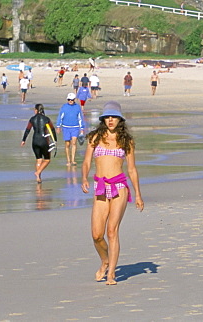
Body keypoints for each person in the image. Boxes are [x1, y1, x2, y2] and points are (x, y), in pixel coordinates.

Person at [81, 101, 143, 285]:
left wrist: (138, 195)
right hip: (100, 188)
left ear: (120, 120)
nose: (110, 120)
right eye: (107, 117)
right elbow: (86, 162)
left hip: (119, 188)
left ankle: (111, 273)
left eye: (114, 117)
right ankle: (105, 261)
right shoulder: (94, 138)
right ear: (103, 119)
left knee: (112, 230)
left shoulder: (126, 141)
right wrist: (84, 177)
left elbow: (131, 169)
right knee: (96, 235)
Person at [22, 104, 57, 183]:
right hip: (44, 141)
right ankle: (38, 173)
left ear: (36, 110)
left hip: (35, 141)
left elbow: (28, 129)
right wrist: (55, 140)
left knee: (38, 159)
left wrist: (23, 140)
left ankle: (38, 178)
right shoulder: (46, 119)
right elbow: (52, 130)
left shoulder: (32, 119)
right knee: (47, 159)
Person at [57, 93, 86, 166]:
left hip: (75, 127)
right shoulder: (64, 107)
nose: (70, 101)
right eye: (69, 100)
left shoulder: (77, 107)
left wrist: (82, 128)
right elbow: (60, 117)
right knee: (67, 144)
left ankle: (73, 160)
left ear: (74, 100)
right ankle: (68, 160)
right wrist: (58, 126)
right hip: (66, 127)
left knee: (74, 143)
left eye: (71, 100)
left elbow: (80, 118)